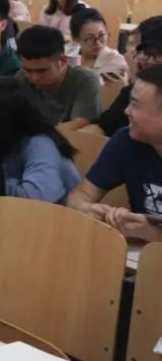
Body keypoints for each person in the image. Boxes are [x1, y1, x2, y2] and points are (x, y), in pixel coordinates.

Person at [67, 63, 162, 242]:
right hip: (139, 253)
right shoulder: (127, 140)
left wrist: (149, 232)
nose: (126, 111)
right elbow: (81, 194)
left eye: (135, 104)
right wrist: (84, 208)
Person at [16, 26, 100, 133]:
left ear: (63, 61)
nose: (34, 78)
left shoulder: (85, 80)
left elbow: (81, 122)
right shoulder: (22, 77)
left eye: (42, 71)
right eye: (28, 70)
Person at [94, 19, 162, 136]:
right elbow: (107, 124)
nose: (150, 61)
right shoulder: (131, 90)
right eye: (145, 53)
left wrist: (136, 79)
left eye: (158, 55)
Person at [69, 8, 129, 85]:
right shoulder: (68, 55)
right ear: (75, 38)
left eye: (101, 35)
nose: (98, 43)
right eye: (90, 38)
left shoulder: (115, 60)